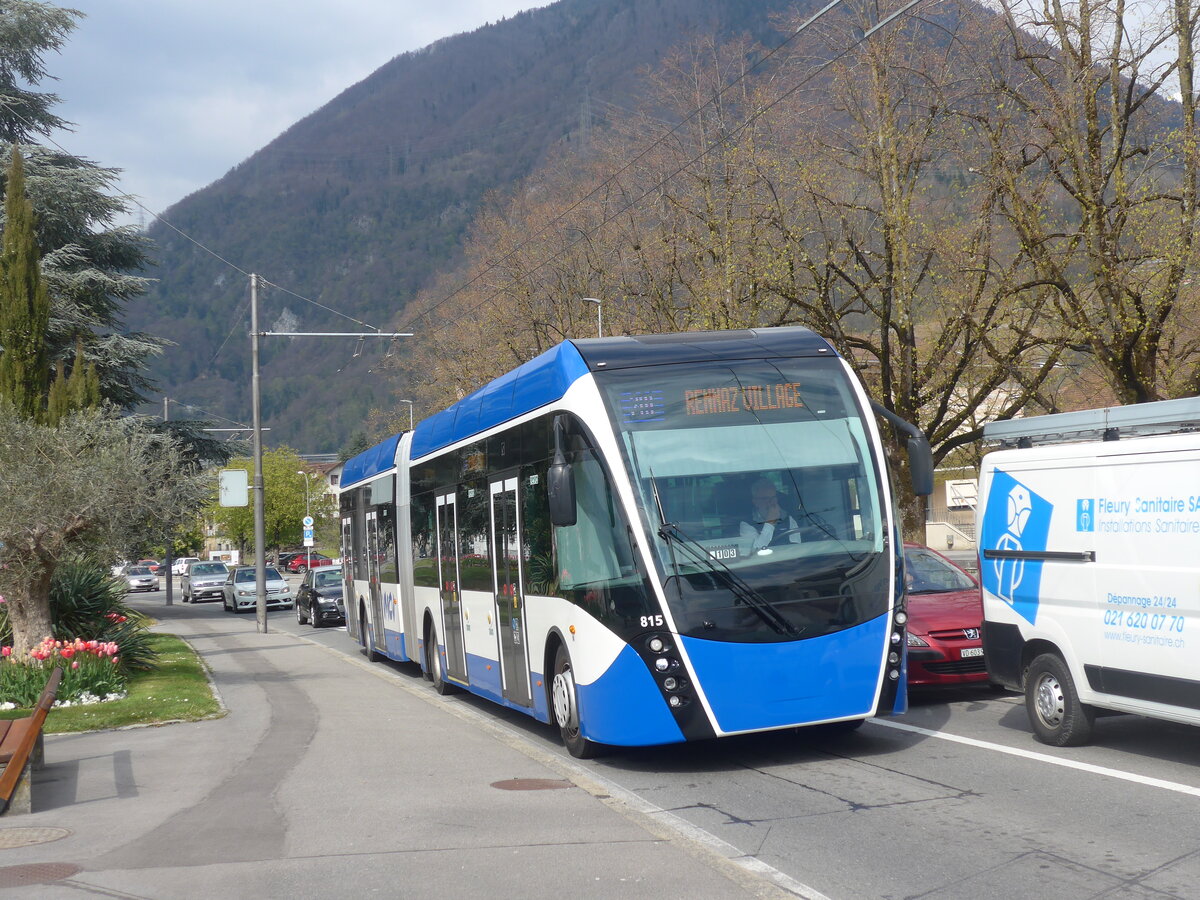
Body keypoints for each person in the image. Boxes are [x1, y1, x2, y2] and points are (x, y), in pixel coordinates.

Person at [739, 478, 804, 552]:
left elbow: (797, 548)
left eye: (773, 497)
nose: (771, 502)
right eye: (765, 498)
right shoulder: (746, 524)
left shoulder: (788, 519)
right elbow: (755, 551)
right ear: (755, 501)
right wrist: (770, 522)